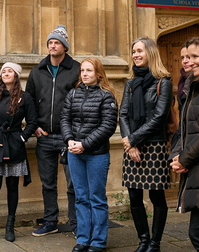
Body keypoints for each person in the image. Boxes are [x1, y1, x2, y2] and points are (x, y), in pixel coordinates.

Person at [25, 24, 79, 237]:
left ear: (64, 46)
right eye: (50, 43)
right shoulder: (37, 71)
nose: (52, 46)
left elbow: (83, 99)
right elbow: (28, 101)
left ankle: (76, 224)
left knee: (73, 185)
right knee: (48, 183)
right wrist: (34, 127)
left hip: (69, 137)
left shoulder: (76, 69)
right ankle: (50, 221)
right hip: (44, 136)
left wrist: (75, 131)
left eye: (56, 42)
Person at [119, 37, 172, 252]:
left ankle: (155, 243)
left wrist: (133, 139)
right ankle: (143, 240)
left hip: (154, 145)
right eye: (133, 51)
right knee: (134, 195)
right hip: (132, 146)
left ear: (150, 52)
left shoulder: (164, 81)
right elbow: (122, 114)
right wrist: (129, 144)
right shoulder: (131, 83)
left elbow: (159, 117)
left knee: (156, 195)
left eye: (139, 50)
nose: (135, 55)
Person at [60, 58, 118, 252]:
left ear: (98, 74)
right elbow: (65, 119)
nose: (84, 74)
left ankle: (98, 241)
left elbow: (107, 127)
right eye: (82, 71)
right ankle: (83, 239)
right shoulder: (73, 93)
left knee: (96, 198)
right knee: (81, 197)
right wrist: (69, 140)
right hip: (74, 153)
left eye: (89, 71)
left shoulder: (106, 96)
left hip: (96, 155)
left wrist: (84, 145)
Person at [0, 62, 38, 242]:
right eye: (3, 71)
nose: (6, 73)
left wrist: (21, 138)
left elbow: (33, 123)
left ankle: (10, 225)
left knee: (12, 186)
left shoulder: (25, 98)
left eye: (9, 71)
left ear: (16, 76)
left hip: (14, 146)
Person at [170, 37, 199, 252]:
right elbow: (184, 128)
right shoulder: (191, 87)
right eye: (186, 57)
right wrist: (177, 156)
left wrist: (185, 158)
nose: (188, 61)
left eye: (194, 56)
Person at [170, 44, 193, 154]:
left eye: (189, 57)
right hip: (184, 142)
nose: (185, 61)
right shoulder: (182, 82)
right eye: (182, 58)